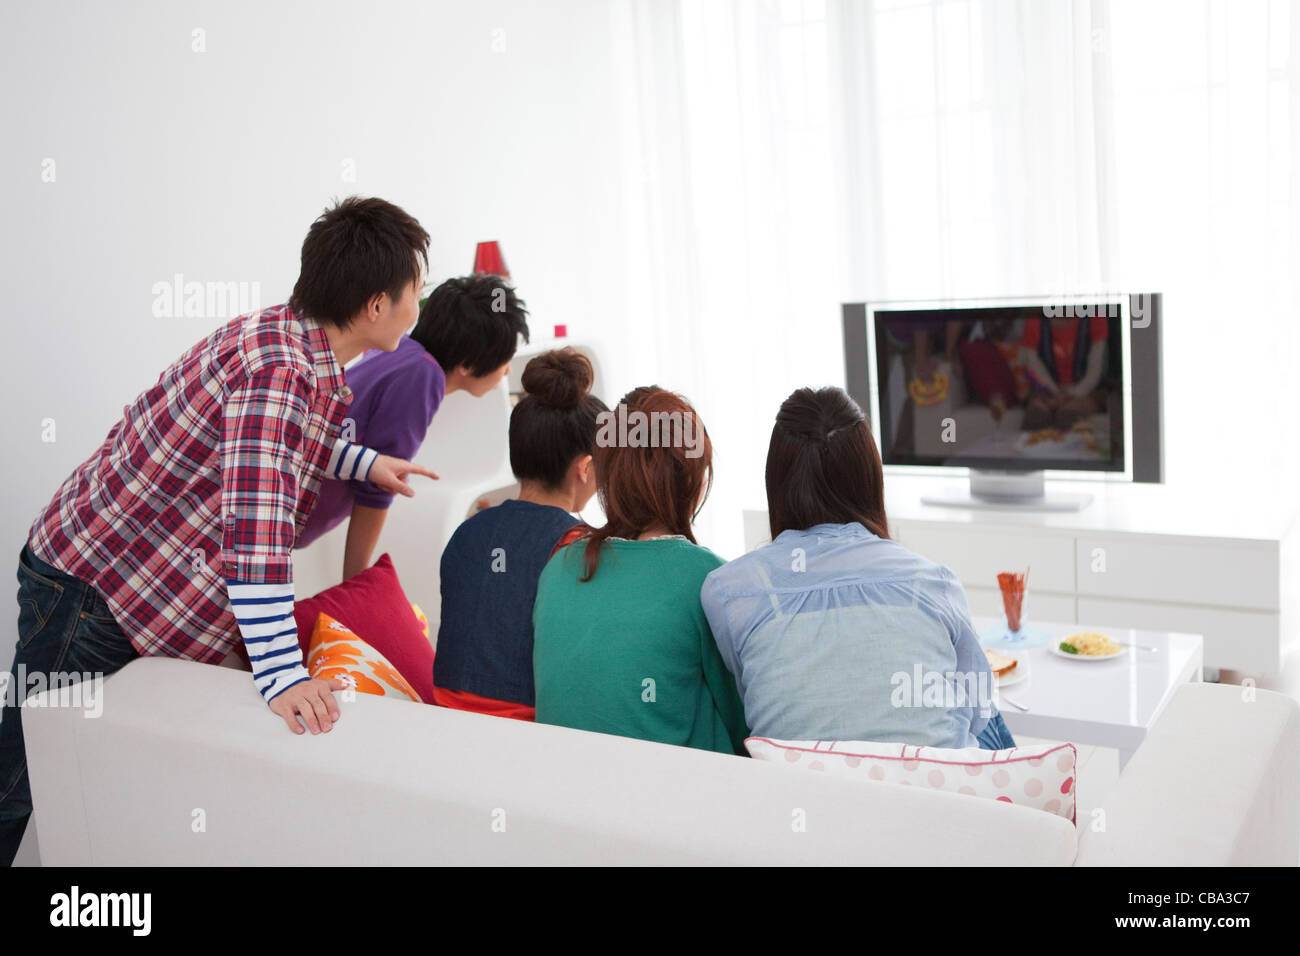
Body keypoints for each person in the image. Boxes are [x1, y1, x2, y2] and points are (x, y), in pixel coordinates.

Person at [2, 196, 439, 867]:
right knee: (19, 783)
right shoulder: (281, 372)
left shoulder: (289, 340)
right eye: (417, 291)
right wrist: (281, 675)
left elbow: (277, 441)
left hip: (102, 573)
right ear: (377, 305)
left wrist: (364, 461)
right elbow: (257, 541)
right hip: (89, 589)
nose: (420, 307)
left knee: (75, 777)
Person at [700, 386, 1014, 751]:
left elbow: (748, 696)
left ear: (777, 480)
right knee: (983, 709)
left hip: (799, 800)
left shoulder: (727, 591)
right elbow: (977, 710)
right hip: (933, 798)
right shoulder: (933, 582)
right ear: (868, 477)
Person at [532, 387, 748, 755]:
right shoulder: (708, 579)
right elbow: (746, 723)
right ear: (693, 481)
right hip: (674, 799)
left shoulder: (559, 566)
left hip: (563, 792)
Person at [297, 274, 531, 580]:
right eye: (506, 358)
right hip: (290, 510)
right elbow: (379, 487)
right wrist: (355, 584)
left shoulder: (402, 350)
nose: (507, 370)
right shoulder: (423, 377)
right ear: (469, 364)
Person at [433, 348, 605, 719]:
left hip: (445, 720)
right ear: (585, 467)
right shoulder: (578, 547)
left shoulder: (468, 531)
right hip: (522, 733)